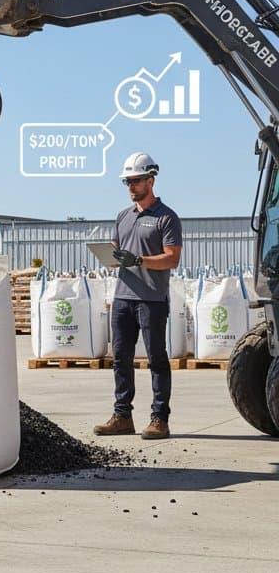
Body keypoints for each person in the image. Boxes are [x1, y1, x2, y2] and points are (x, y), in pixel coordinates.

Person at [94, 152, 182, 441]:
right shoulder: (123, 216)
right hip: (122, 297)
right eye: (127, 182)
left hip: (152, 300)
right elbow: (117, 251)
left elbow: (172, 259)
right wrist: (110, 255)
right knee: (120, 358)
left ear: (150, 180)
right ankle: (122, 416)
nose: (131, 186)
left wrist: (139, 261)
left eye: (136, 181)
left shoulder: (166, 218)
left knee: (157, 359)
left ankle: (160, 419)